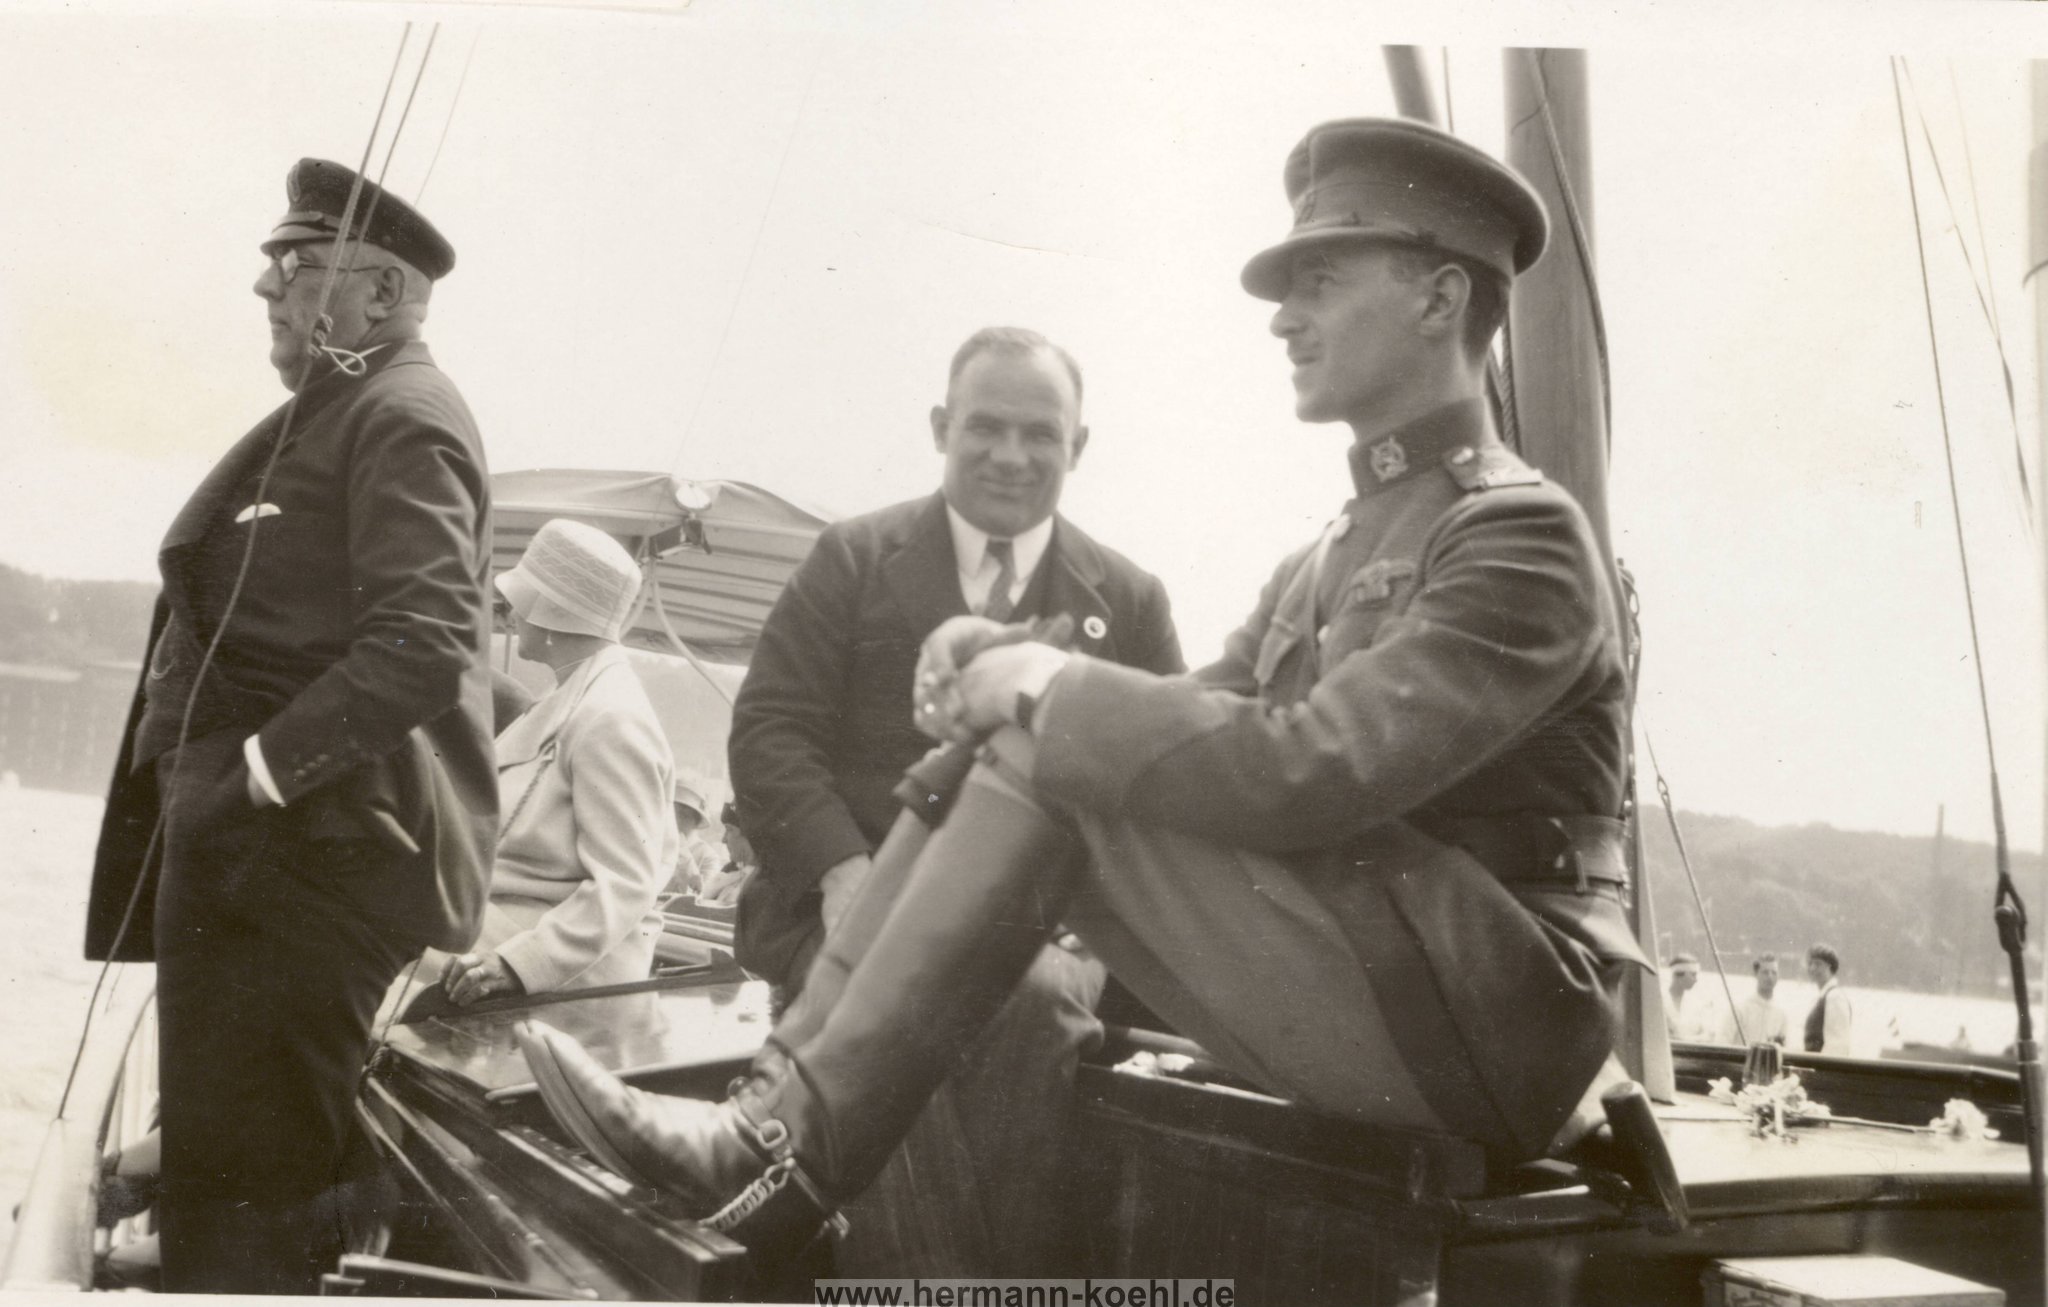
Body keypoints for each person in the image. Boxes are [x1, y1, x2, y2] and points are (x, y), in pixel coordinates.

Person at [515, 117, 1648, 1262]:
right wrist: (1005, 677)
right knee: (1014, 742)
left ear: (1439, 298)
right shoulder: (1330, 551)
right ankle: (770, 1132)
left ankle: (772, 1157)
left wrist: (1037, 681)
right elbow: (1185, 727)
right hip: (1386, 979)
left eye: (1320, 279)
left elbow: (1305, 771)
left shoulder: (1520, 534)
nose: (1282, 316)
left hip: (1500, 1021)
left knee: (1040, 743)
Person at [83, 158, 495, 1294]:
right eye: (274, 264)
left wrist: (254, 775)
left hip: (302, 861)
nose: (266, 287)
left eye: (297, 264)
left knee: (249, 1207)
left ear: (381, 292)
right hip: (267, 866)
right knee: (221, 1179)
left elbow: (424, 642)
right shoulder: (350, 405)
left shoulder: (400, 415)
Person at [726, 326, 1182, 1274]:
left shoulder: (1131, 600)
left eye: (1040, 433)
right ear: (942, 427)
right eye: (986, 427)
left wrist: (1095, 917)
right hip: (853, 911)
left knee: (1027, 992)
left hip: (1049, 932)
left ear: (1078, 446)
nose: (1011, 454)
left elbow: (1158, 787)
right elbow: (771, 732)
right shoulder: (851, 559)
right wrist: (843, 876)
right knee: (898, 988)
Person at [439, 519, 679, 1007]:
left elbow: (625, 883)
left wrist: (518, 963)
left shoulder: (609, 717)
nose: (510, 614)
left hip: (559, 960)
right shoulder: (573, 695)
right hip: (509, 923)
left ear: (553, 612)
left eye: (521, 601)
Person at [1721, 953, 1790, 1047]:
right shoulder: (1739, 1009)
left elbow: (1785, 1047)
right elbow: (1723, 1041)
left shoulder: (1782, 1014)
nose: (1770, 977)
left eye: (1774, 973)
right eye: (1765, 972)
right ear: (1755, 974)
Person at [1805, 943, 1855, 1055]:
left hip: (1822, 1065)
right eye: (1810, 963)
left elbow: (1837, 1045)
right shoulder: (1823, 997)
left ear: (1830, 967)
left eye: (1818, 964)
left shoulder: (1835, 997)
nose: (1812, 968)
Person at [1663, 951, 1705, 1041]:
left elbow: (1707, 1035)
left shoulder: (1697, 1003)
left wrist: (1684, 1039)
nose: (1696, 979)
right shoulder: (1660, 1000)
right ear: (1678, 975)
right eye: (1693, 975)